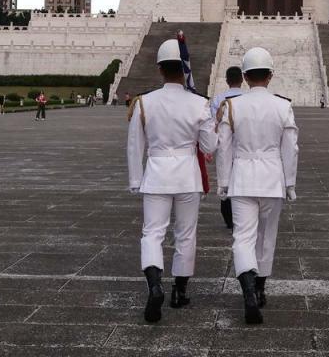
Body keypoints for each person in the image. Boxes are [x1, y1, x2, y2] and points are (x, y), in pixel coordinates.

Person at [126, 39, 217, 323]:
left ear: (160, 69)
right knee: (185, 234)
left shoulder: (145, 103)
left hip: (156, 175)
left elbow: (134, 145)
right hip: (188, 175)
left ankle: (154, 286)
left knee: (152, 233)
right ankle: (179, 291)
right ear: (185, 68)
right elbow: (210, 146)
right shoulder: (200, 103)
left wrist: (135, 180)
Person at [216, 47, 298, 325]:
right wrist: (290, 183)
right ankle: (260, 288)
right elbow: (291, 149)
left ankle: (248, 290)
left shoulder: (233, 106)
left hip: (241, 179)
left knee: (243, 237)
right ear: (271, 75)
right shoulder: (282, 106)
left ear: (246, 76)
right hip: (272, 179)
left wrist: (223, 183)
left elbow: (223, 148)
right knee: (266, 236)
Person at [210, 66, 246, 230]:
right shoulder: (248, 98)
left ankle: (229, 218)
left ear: (226, 80)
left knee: (225, 181)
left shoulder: (219, 99)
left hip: (224, 145)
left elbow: (213, 123)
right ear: (242, 79)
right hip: (245, 147)